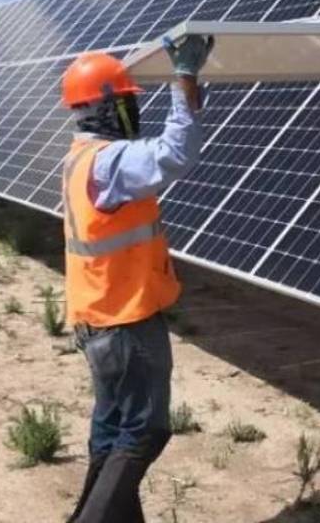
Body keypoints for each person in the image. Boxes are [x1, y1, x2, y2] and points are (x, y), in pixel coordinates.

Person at [59, 37, 211, 523]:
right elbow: (175, 154)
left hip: (98, 319)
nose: (133, 111)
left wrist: (190, 93)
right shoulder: (109, 162)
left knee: (112, 433)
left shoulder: (81, 159)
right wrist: (182, 78)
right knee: (145, 430)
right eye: (126, 102)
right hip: (126, 321)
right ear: (107, 108)